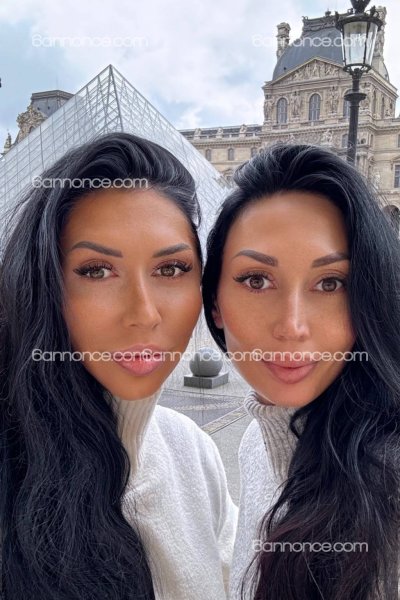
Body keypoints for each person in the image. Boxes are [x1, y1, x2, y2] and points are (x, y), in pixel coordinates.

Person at [0, 132, 237, 600]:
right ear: (44, 283)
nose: (144, 313)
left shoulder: (194, 451)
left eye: (171, 269)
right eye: (96, 270)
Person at [202, 143, 400, 599]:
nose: (292, 327)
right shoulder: (253, 445)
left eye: (330, 283)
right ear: (215, 303)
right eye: (256, 280)